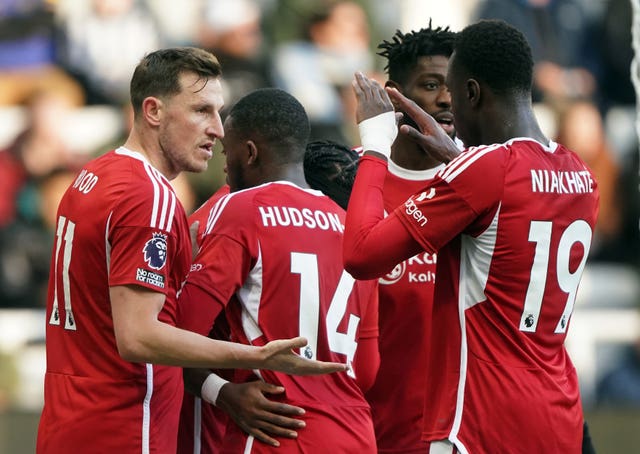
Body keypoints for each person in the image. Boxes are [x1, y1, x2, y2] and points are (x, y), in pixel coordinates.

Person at [36, 47, 347, 454]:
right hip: (125, 428)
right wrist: (259, 357)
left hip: (69, 421)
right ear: (153, 111)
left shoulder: (94, 175)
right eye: (201, 110)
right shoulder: (149, 198)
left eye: (218, 112)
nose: (218, 130)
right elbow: (138, 336)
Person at [344, 19, 599, 453]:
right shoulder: (579, 172)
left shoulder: (483, 170)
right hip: (558, 416)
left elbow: (361, 255)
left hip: (481, 422)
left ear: (472, 93)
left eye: (452, 91)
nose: (447, 104)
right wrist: (460, 160)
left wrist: (374, 141)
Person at [176, 88, 379, 453]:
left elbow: (178, 335)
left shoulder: (241, 208)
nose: (224, 166)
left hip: (276, 429)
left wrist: (221, 393)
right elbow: (366, 369)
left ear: (250, 152)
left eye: (228, 152)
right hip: (354, 433)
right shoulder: (351, 226)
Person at [362, 23, 459, 454]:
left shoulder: (483, 182)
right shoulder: (351, 184)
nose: (446, 99)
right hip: (367, 433)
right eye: (431, 85)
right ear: (395, 94)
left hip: (456, 438)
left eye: (454, 85)